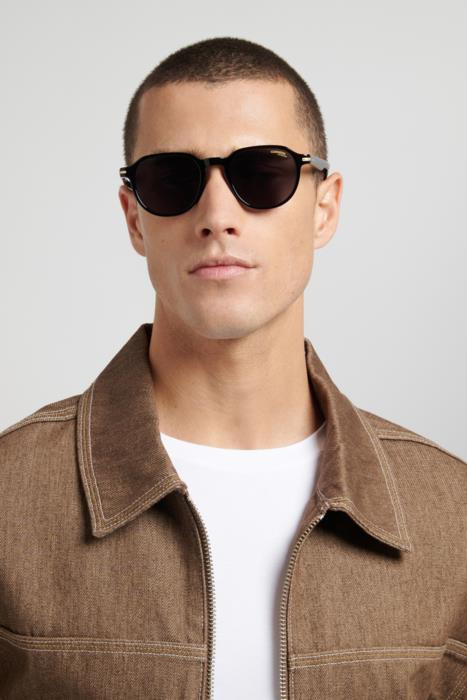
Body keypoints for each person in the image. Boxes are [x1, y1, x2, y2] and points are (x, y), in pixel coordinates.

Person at [0, 36, 465, 700]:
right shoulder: (11, 497)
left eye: (263, 174)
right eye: (172, 179)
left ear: (324, 207)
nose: (217, 216)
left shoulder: (451, 515)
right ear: (134, 218)